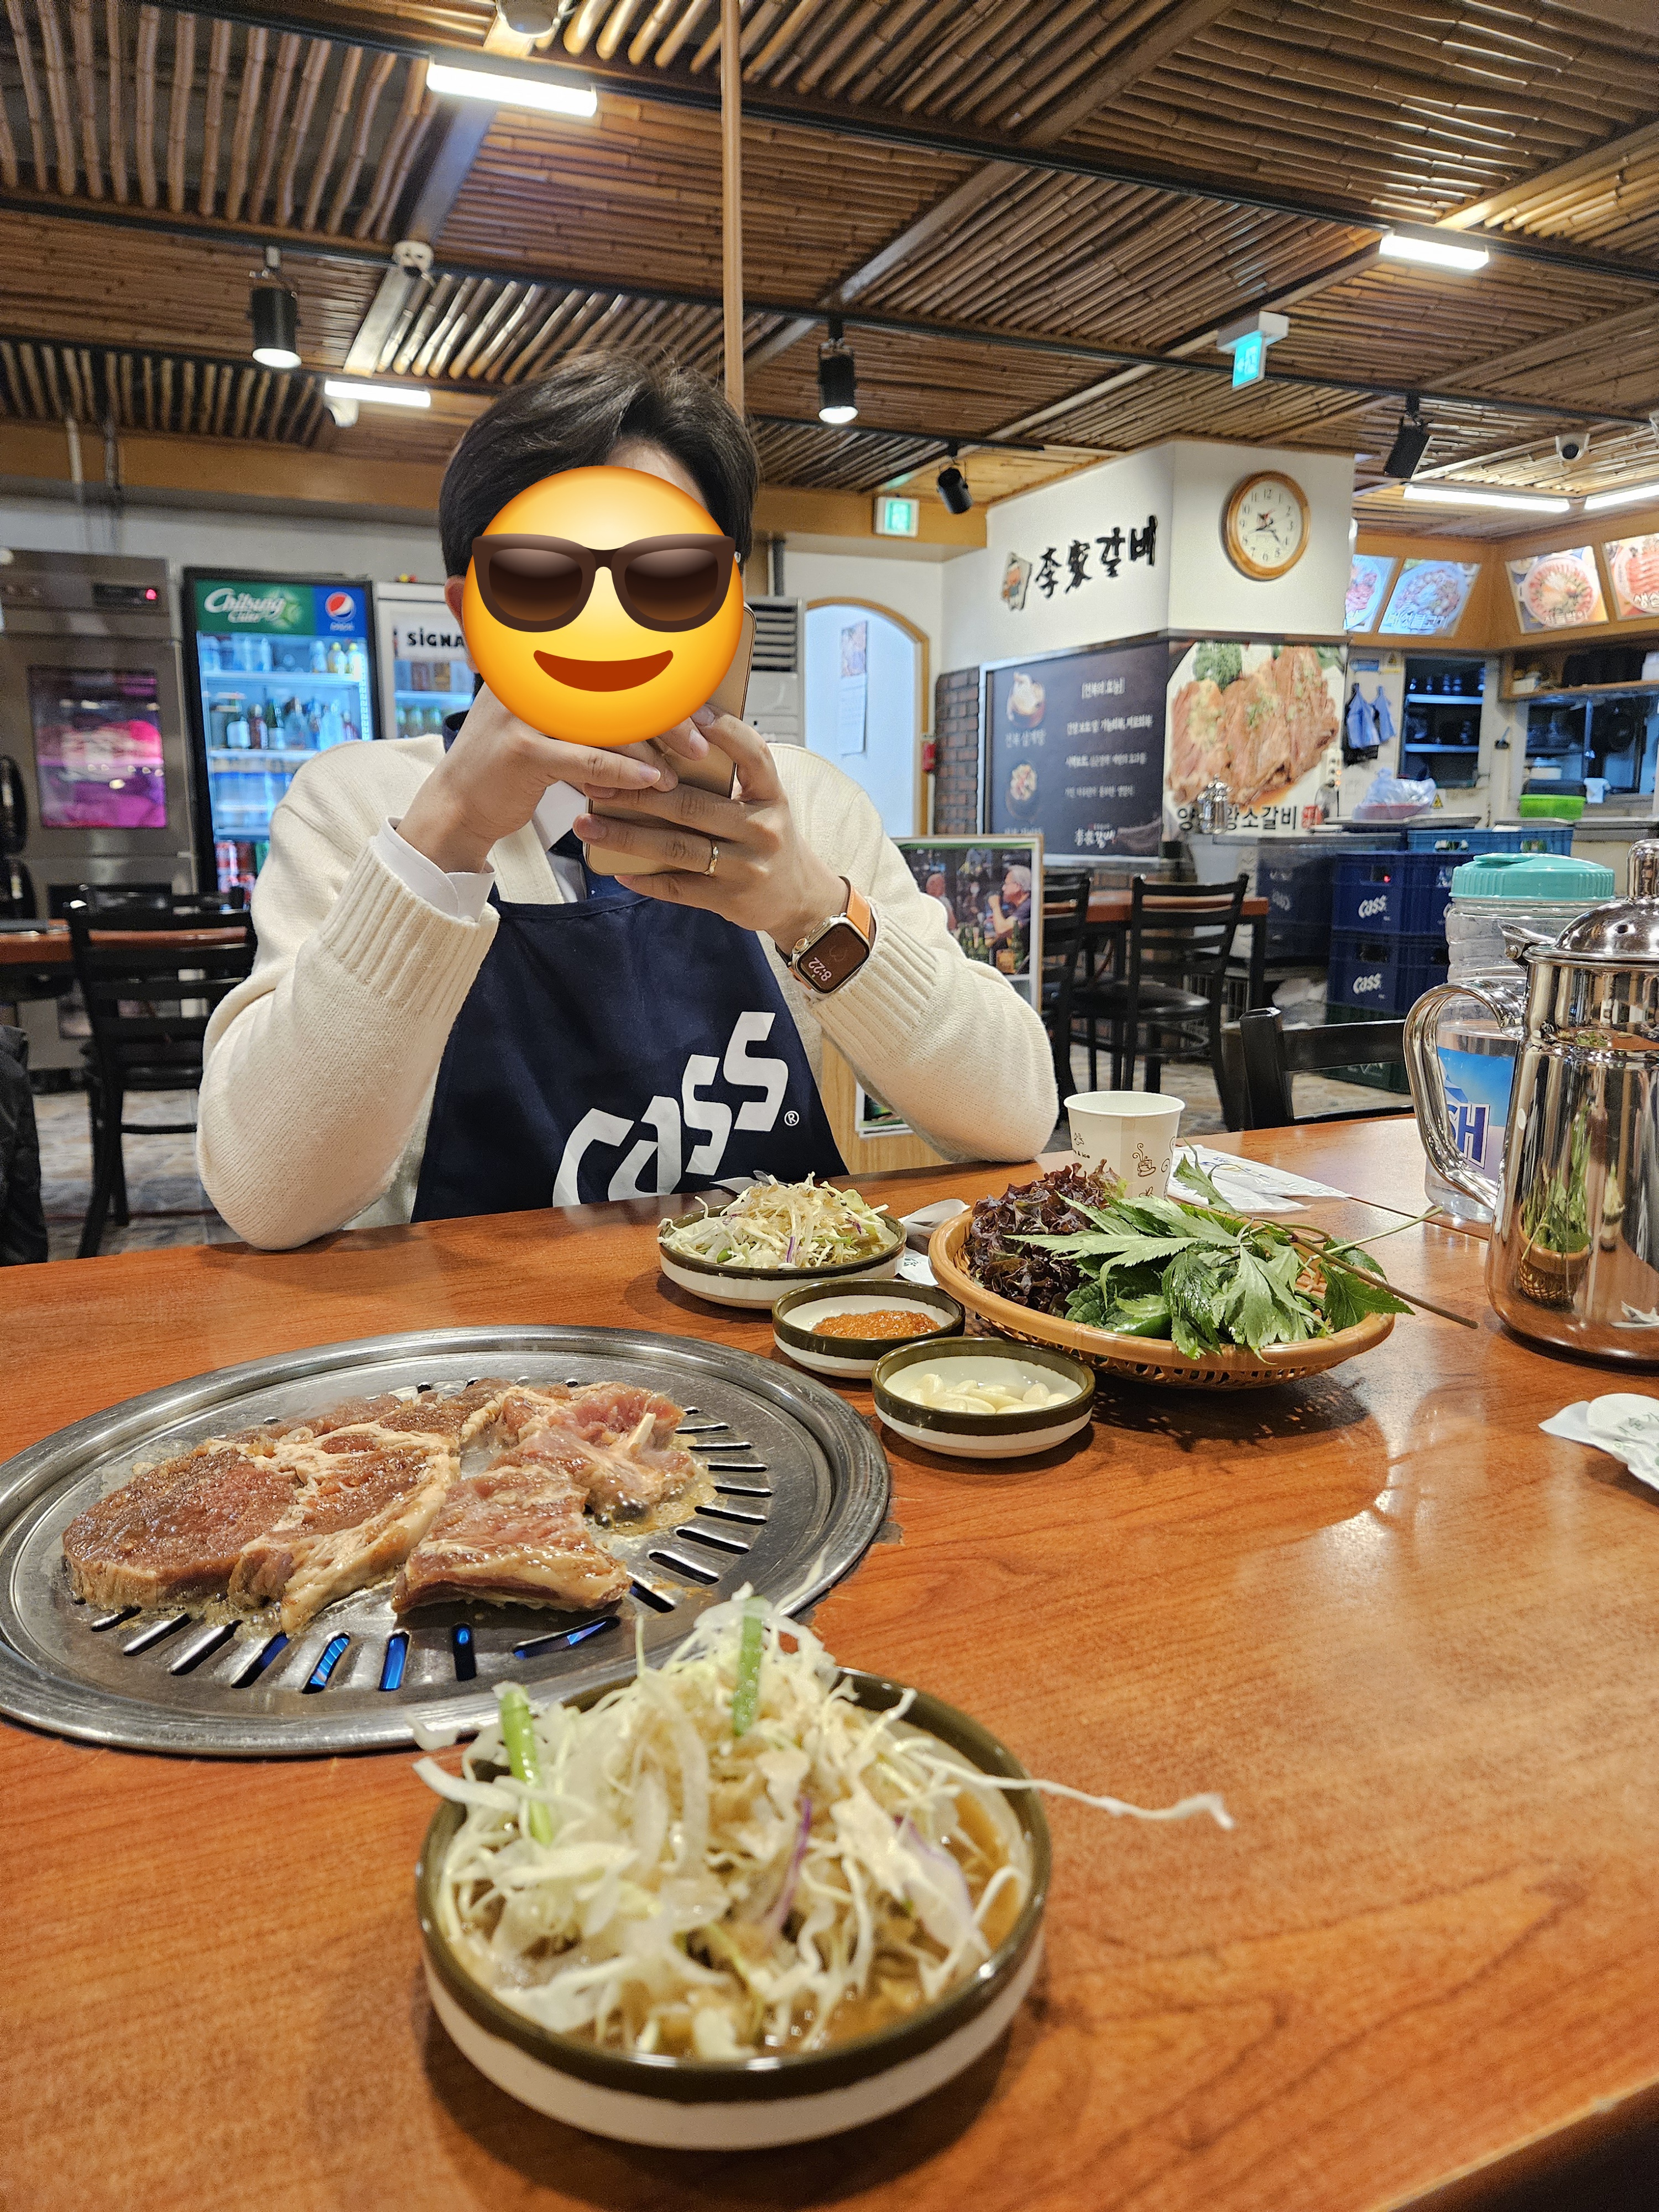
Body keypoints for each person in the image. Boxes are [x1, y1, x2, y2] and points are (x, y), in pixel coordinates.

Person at [196, 353, 1056, 1248]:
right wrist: (445, 838)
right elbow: (268, 1197)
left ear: (731, 603)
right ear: (470, 616)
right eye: (543, 578)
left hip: (778, 1322)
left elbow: (1014, 1117)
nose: (611, 623)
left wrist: (811, 910)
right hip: (477, 1335)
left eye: (670, 576)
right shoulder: (359, 807)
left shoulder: (808, 808)